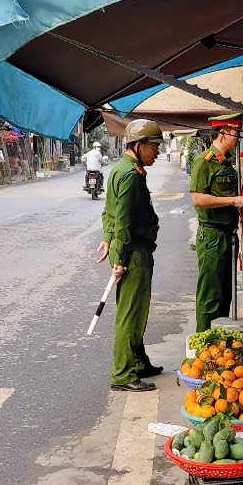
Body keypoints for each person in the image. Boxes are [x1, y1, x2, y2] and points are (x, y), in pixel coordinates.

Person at [96, 120, 165, 392]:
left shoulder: (120, 169)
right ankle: (123, 373)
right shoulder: (130, 175)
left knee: (137, 311)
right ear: (139, 145)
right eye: (154, 146)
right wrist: (121, 260)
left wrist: (106, 237)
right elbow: (123, 221)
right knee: (130, 313)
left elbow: (108, 213)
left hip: (129, 249)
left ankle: (138, 361)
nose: (157, 152)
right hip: (133, 252)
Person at [190, 114, 243, 333]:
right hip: (212, 237)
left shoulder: (227, 164)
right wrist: (232, 200)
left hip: (227, 235)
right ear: (223, 132)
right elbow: (198, 198)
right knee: (210, 296)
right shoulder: (204, 162)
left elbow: (227, 203)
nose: (238, 138)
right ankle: (204, 345)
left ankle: (219, 343)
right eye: (236, 133)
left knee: (225, 294)